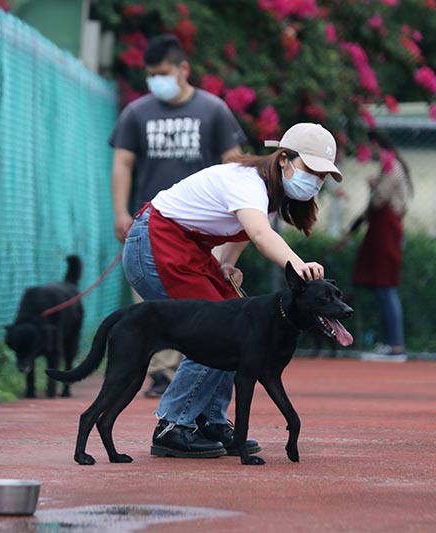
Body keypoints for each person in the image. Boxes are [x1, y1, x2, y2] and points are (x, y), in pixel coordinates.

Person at [121, 122, 344, 458]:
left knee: (237, 326)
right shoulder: (248, 181)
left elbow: (240, 234)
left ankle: (210, 419)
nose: (316, 181)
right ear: (284, 158)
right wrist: (299, 266)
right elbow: (259, 234)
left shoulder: (269, 191)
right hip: (154, 245)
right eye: (311, 170)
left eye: (323, 176)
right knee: (217, 331)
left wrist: (225, 265)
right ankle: (173, 424)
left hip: (182, 248)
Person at [108, 34, 247, 397]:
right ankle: (160, 373)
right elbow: (122, 163)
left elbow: (234, 166)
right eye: (151, 74)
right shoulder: (137, 113)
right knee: (154, 306)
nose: (157, 80)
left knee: (205, 311)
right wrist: (121, 212)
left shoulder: (213, 110)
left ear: (183, 69)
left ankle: (190, 386)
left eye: (164, 72)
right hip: (154, 228)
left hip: (203, 231)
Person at [335, 130, 413, 362]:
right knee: (382, 288)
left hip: (386, 230)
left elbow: (379, 200)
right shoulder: (391, 166)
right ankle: (391, 343)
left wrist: (374, 186)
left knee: (386, 287)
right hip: (381, 229)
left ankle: (396, 345)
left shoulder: (393, 167)